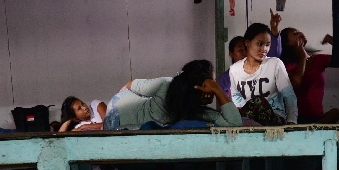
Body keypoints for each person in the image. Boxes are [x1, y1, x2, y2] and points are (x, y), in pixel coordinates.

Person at [103, 60, 242, 130]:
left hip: (127, 121)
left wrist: (218, 90)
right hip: (118, 110)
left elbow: (235, 124)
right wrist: (218, 91)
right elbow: (130, 85)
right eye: (212, 82)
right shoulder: (166, 84)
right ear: (202, 86)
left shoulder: (194, 110)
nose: (214, 86)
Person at [230, 23, 298, 126]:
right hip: (248, 120)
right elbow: (236, 98)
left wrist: (291, 122)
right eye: (260, 44)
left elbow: (289, 96)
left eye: (267, 45)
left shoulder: (275, 64)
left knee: (258, 101)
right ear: (247, 43)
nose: (264, 49)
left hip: (275, 118)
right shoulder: (234, 69)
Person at [278, 27, 339, 124]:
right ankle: (309, 130)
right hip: (295, 118)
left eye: (299, 31)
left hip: (318, 118)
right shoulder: (286, 66)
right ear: (288, 43)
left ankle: (312, 130)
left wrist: (333, 41)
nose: (300, 33)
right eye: (295, 33)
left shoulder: (318, 60)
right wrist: (303, 57)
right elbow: (296, 84)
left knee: (335, 112)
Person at [218, 8, 283, 97]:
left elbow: (275, 55)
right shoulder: (225, 79)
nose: (245, 53)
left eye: (246, 49)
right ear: (231, 54)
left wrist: (274, 30)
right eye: (240, 50)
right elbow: (227, 104)